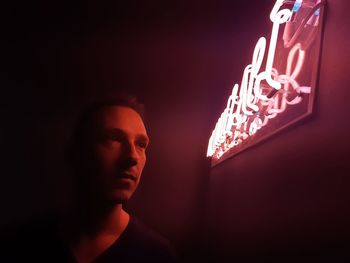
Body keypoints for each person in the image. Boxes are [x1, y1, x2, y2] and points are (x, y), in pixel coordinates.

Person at [3, 95, 177, 263]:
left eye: (141, 144)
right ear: (77, 152)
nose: (132, 157)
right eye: (114, 138)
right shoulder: (24, 243)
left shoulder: (156, 255)